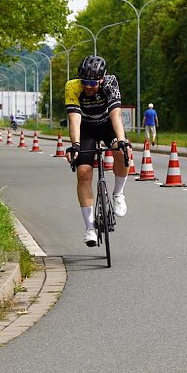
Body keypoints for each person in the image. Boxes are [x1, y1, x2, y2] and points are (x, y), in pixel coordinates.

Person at [64, 55, 131, 247]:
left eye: (93, 82)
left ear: (101, 78)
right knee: (84, 172)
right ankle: (90, 228)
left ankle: (118, 194)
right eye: (85, 82)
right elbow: (74, 118)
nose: (88, 86)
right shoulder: (72, 86)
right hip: (86, 129)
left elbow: (116, 114)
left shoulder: (110, 83)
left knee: (120, 152)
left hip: (107, 125)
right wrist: (75, 144)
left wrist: (121, 140)